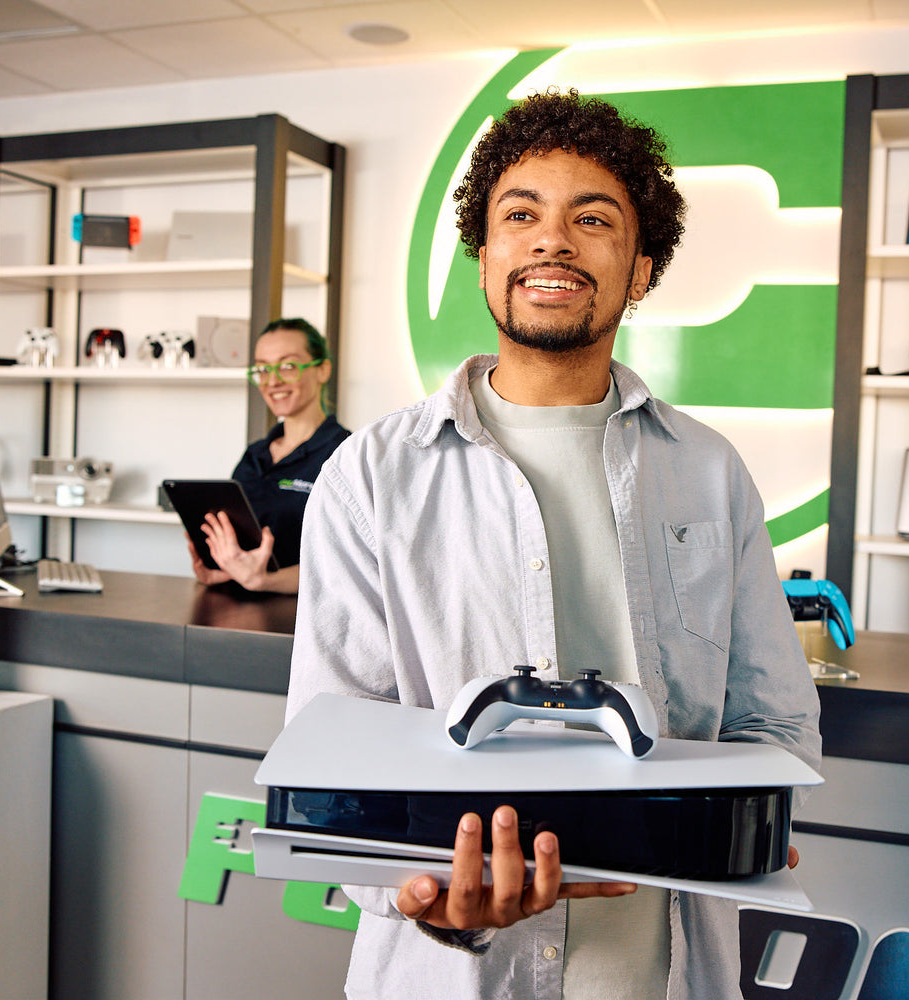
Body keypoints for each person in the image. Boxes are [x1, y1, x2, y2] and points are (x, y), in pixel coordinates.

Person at [285, 89, 821, 999]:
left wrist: (733, 827)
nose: (552, 241)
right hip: (445, 979)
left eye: (593, 219)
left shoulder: (710, 474)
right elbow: (334, 747)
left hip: (662, 975)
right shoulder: (371, 475)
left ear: (641, 268)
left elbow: (773, 722)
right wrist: (422, 895)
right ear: (484, 255)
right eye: (520, 215)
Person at [188, 317, 350, 594]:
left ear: (322, 370)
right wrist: (223, 569)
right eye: (263, 369)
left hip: (305, 626)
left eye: (288, 366)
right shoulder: (255, 456)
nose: (272, 381)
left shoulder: (346, 454)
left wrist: (266, 582)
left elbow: (351, 563)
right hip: (236, 613)